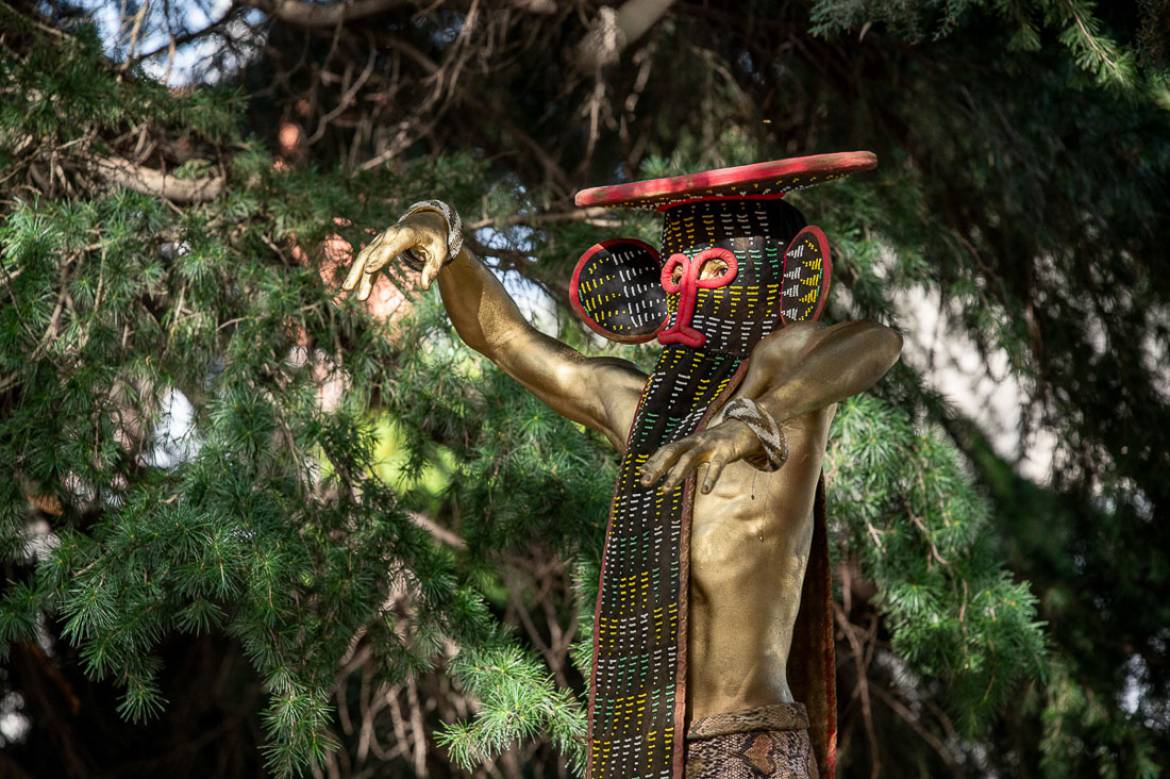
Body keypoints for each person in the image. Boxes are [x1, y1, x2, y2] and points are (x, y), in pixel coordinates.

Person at [344, 157, 901, 779]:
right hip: (647, 755)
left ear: (776, 278)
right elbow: (507, 341)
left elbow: (876, 342)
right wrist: (444, 240)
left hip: (752, 746)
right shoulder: (638, 407)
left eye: (715, 271)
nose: (690, 293)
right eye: (677, 274)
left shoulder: (785, 367)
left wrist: (752, 422)